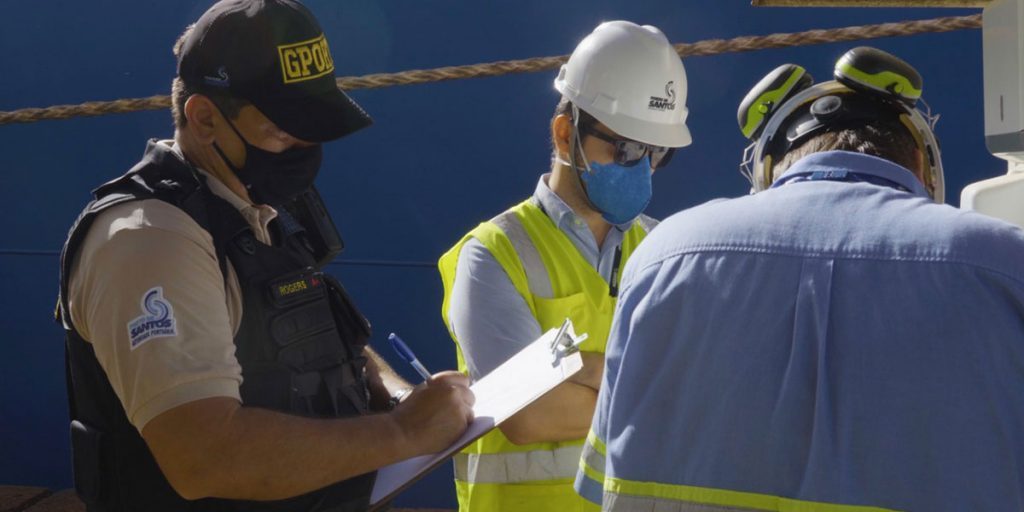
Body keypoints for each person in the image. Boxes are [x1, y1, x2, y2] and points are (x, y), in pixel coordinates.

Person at [57, 1, 474, 511]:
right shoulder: (151, 240)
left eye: (314, 124)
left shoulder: (254, 206)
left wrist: (398, 395)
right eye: (284, 128)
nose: (305, 146)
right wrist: (403, 432)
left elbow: (317, 340)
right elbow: (202, 456)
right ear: (205, 118)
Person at [575, 46, 1024, 511]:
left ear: (767, 167)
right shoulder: (1007, 269)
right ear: (922, 164)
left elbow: (602, 482)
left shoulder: (658, 258)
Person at [437, 20, 691, 512]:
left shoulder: (666, 249)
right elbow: (531, 414)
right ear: (564, 134)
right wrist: (651, 394)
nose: (642, 168)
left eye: (657, 152)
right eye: (627, 149)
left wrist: (584, 368)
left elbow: (698, 392)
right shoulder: (493, 254)